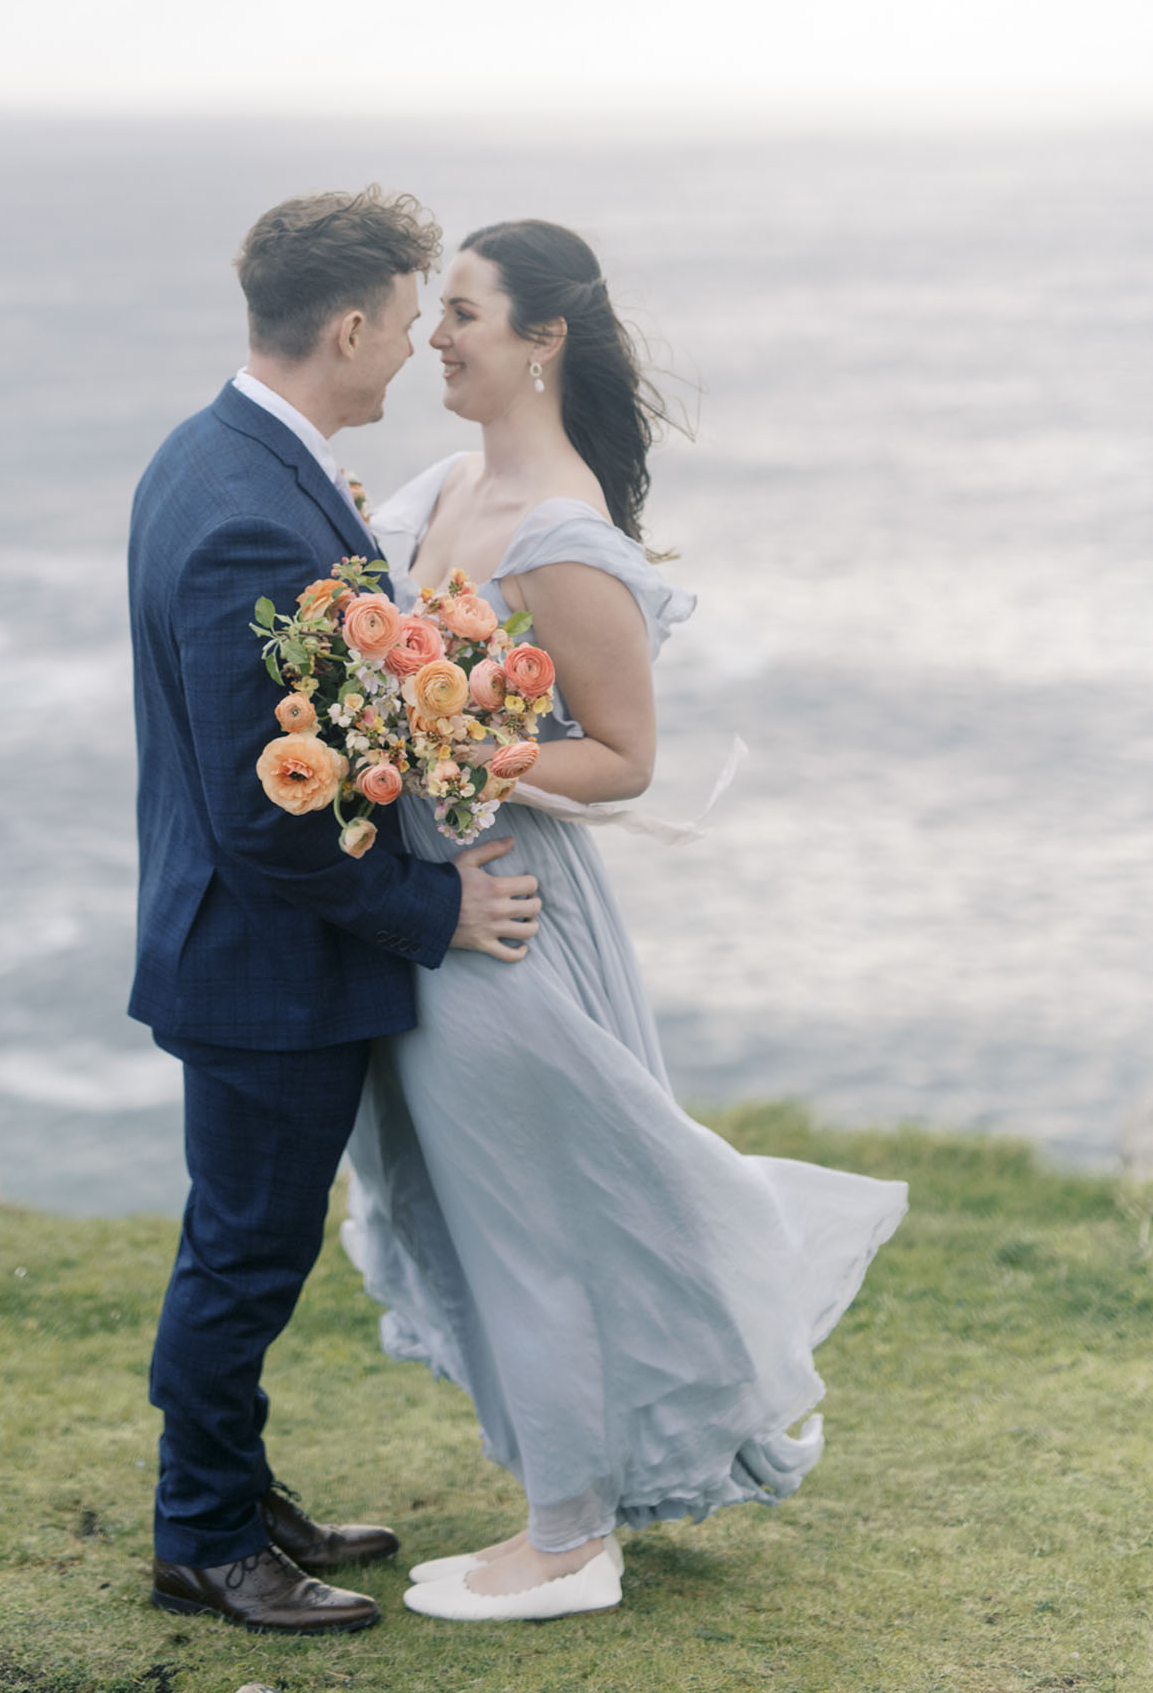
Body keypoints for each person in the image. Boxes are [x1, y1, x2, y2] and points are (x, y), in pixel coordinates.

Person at [345, 218, 909, 1623]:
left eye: (464, 313)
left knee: (536, 1214)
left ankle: (569, 1539)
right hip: (431, 904)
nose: (437, 336)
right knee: (490, 1211)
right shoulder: (436, 488)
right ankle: (568, 1506)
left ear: (543, 340)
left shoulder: (565, 540)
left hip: (508, 915)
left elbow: (623, 757)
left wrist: (457, 746)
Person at [126, 187, 542, 1638]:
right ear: (349, 324)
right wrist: (432, 907)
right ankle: (202, 1539)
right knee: (244, 1250)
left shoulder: (218, 455)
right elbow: (266, 816)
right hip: (260, 968)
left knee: (244, 1238)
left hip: (241, 954)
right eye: (411, 315)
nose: (419, 342)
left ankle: (237, 1493)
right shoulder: (251, 509)